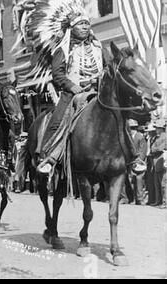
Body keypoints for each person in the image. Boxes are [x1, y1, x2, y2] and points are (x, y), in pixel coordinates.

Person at [34, 9, 146, 175]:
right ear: (72, 27)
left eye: (87, 24)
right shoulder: (62, 49)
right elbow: (57, 74)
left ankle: (133, 158)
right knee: (59, 119)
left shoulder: (98, 46)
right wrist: (72, 86)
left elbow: (110, 66)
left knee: (121, 118)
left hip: (99, 91)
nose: (85, 27)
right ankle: (50, 156)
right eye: (81, 24)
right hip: (73, 94)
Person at [150, 119, 166, 207]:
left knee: (163, 183)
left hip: (162, 161)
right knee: (157, 183)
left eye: (157, 128)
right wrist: (155, 149)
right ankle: (158, 201)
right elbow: (153, 148)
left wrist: (154, 149)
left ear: (161, 128)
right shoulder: (158, 137)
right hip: (156, 162)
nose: (156, 129)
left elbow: (160, 148)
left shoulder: (165, 137)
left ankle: (164, 202)